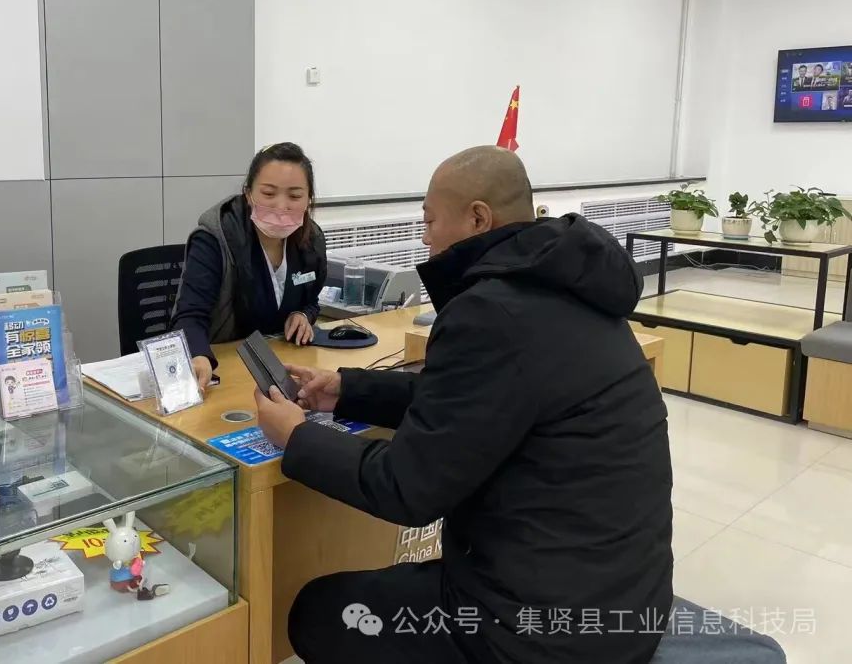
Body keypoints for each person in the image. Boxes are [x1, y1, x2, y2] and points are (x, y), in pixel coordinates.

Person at [254, 146, 673, 664]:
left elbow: (407, 488)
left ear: (478, 218)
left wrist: (297, 436)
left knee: (318, 611)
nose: (424, 238)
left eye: (430, 220)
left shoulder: (492, 312)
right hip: (625, 604)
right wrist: (349, 390)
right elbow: (474, 404)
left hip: (539, 633)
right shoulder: (569, 287)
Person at [171, 142, 327, 392]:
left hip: (279, 368)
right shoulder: (215, 238)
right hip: (223, 370)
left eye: (295, 196)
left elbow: (311, 300)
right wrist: (197, 355)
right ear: (248, 194)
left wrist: (303, 315)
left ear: (309, 199)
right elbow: (189, 315)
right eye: (268, 193)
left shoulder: (311, 240)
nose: (281, 206)